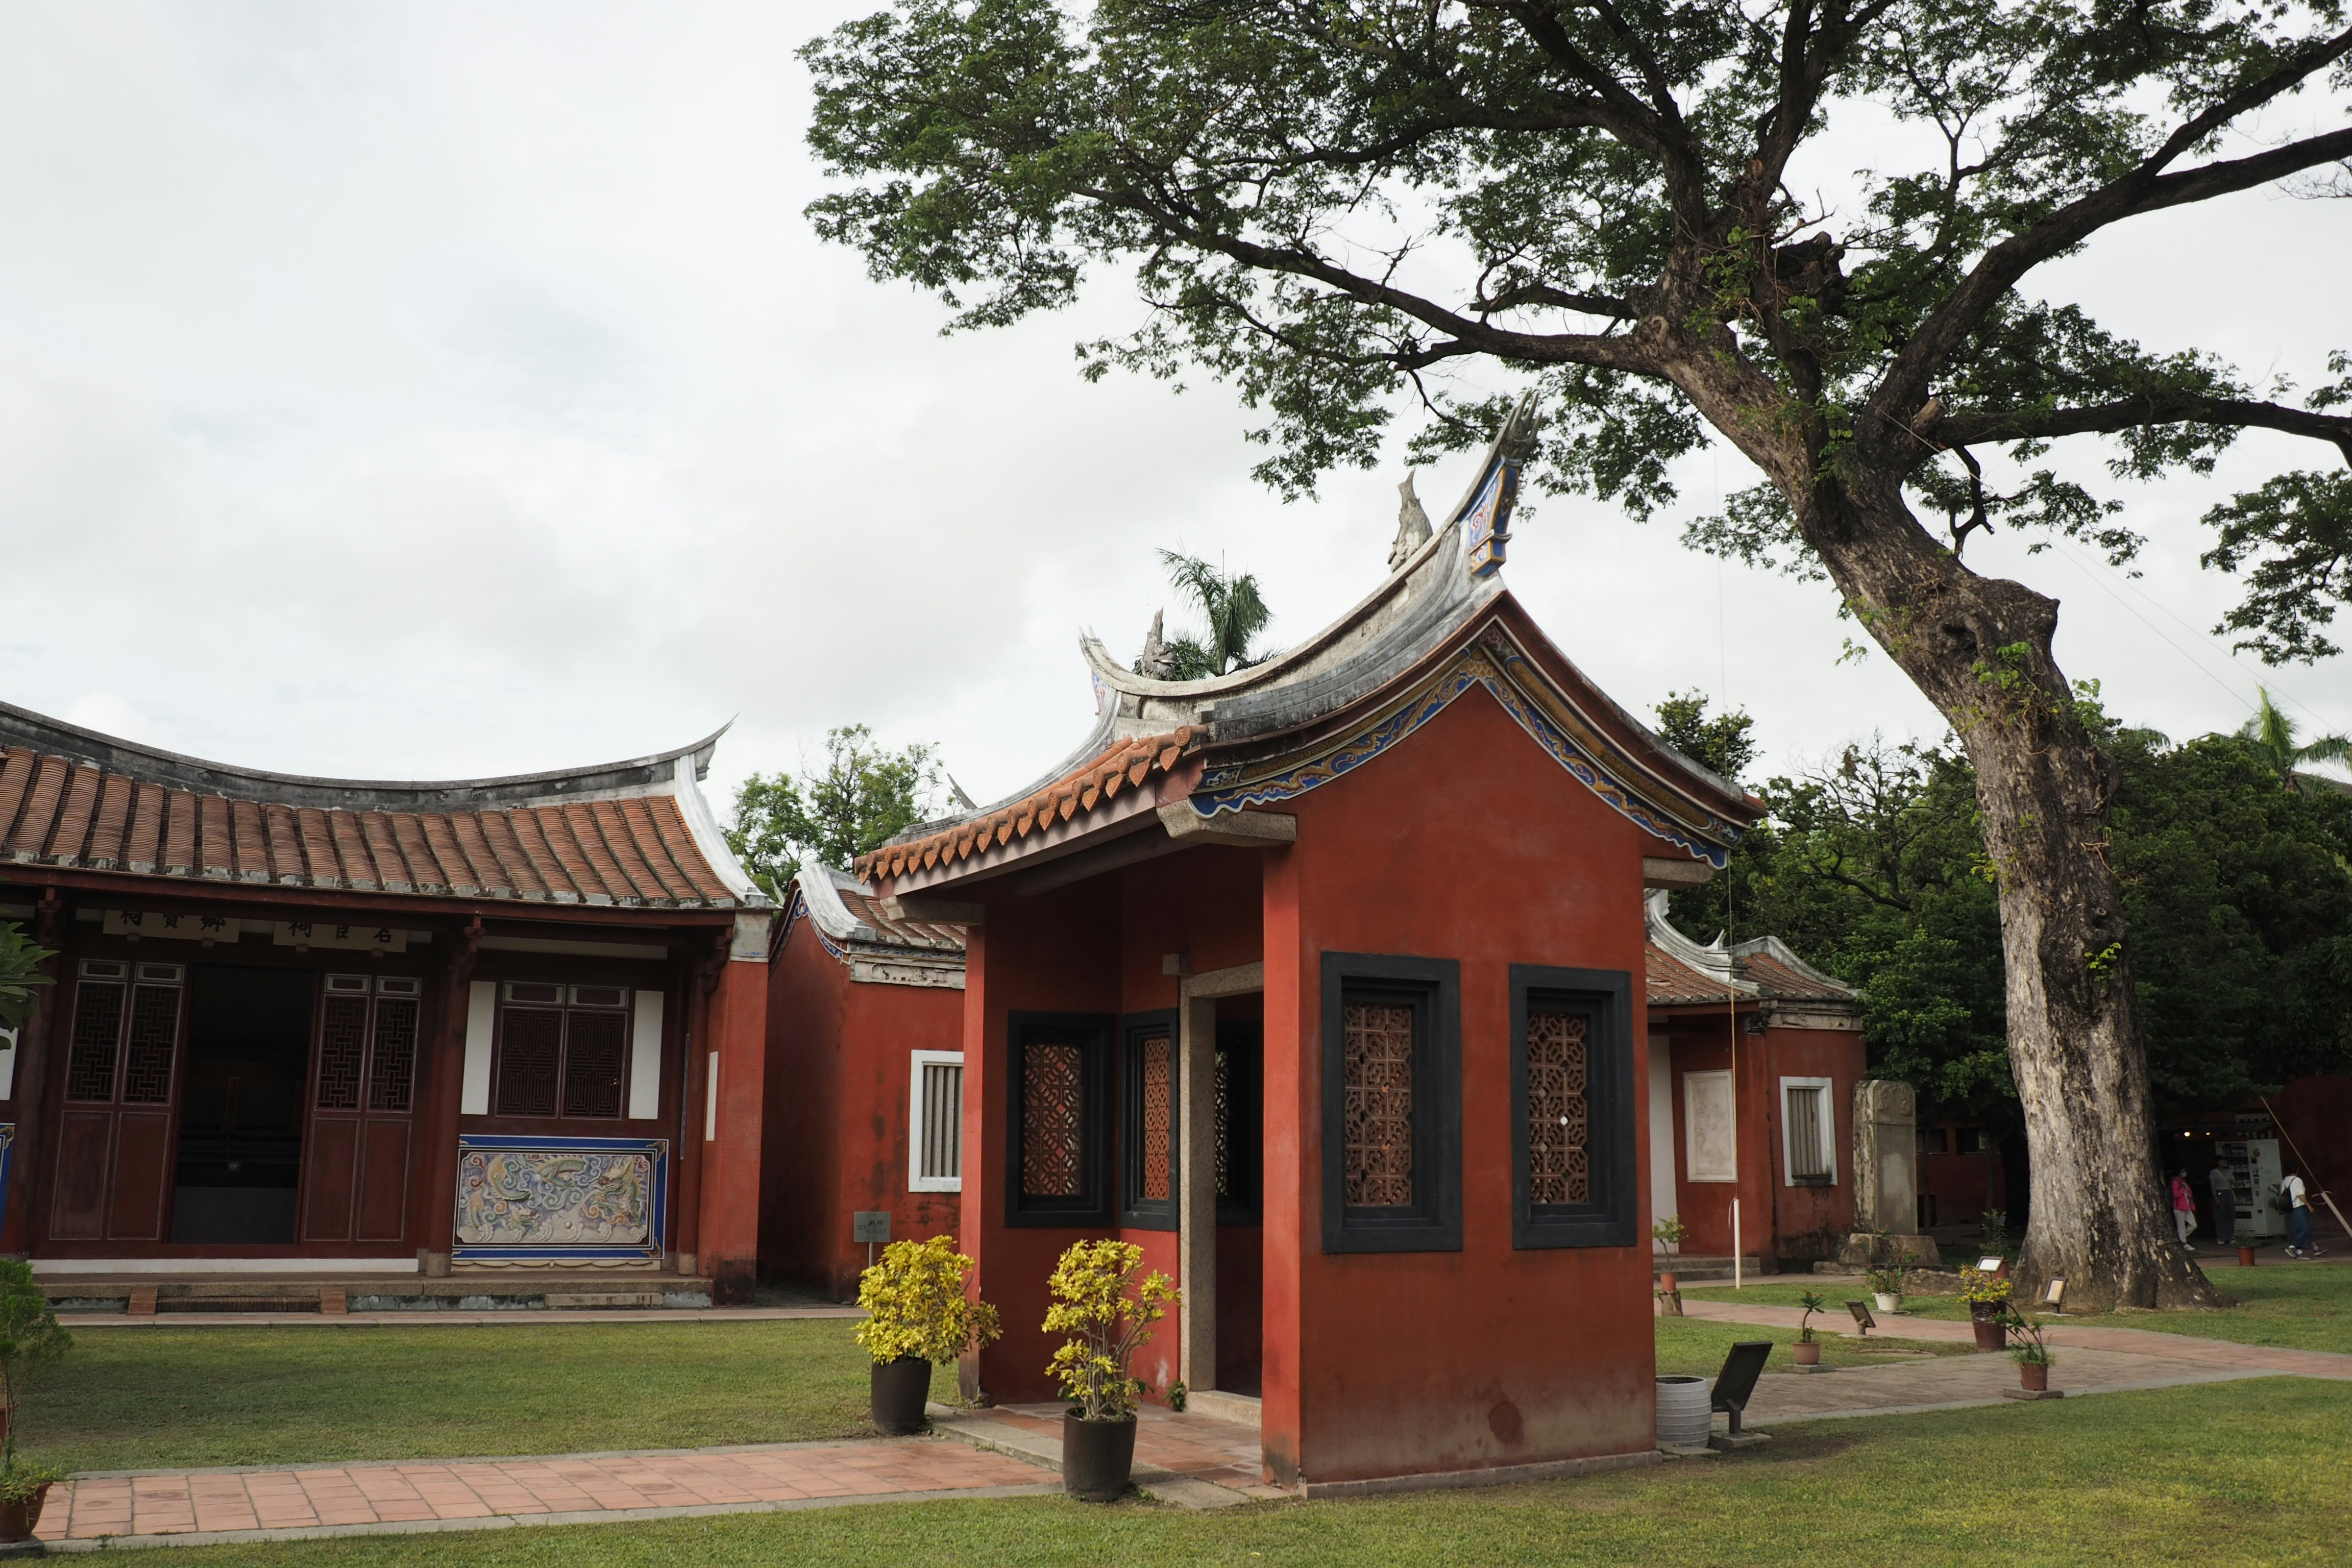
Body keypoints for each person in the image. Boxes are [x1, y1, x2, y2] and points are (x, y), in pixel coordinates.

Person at [2281, 1167, 2322, 1258]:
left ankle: (2303, 1250)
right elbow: (2300, 1195)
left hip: (2290, 1208)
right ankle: (2292, 1247)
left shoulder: (2285, 1181)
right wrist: (2309, 1206)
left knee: (2298, 1230)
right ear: (2297, 1170)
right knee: (2305, 1229)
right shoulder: (2297, 1180)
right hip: (2299, 1207)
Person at [2209, 1160, 2237, 1248]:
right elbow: (2213, 1185)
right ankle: (2221, 1238)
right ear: (2218, 1162)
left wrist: (2239, 1183)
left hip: (2229, 1192)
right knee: (2221, 1216)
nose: (2225, 1162)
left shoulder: (2229, 1172)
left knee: (2231, 1215)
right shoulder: (2214, 1172)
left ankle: (2231, 1237)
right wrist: (2215, 1197)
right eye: (2222, 1161)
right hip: (2220, 1193)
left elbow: (2234, 1182)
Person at [2170, 1171, 2197, 1246]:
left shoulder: (2184, 1182)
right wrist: (2182, 1189)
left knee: (2194, 1225)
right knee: (2181, 1226)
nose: (2184, 1173)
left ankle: (2182, 1238)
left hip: (2187, 1207)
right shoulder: (2175, 1182)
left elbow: (2189, 1194)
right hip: (2179, 1207)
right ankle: (2184, 1243)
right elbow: (2176, 1195)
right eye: (2182, 1171)